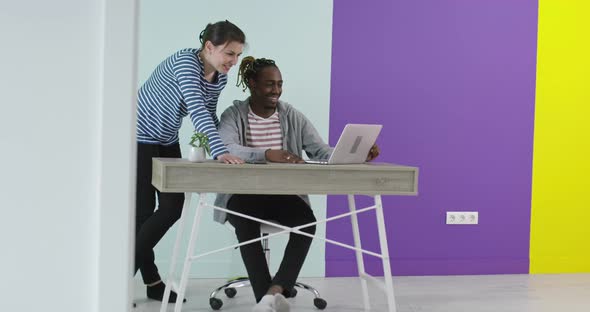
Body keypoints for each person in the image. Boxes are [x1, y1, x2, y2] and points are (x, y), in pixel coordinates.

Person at [214, 56, 379, 312]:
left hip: (283, 192)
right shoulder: (234, 115)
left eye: (280, 84)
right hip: (244, 192)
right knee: (245, 226)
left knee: (306, 224)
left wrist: (357, 154)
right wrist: (267, 153)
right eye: (270, 84)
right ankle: (266, 300)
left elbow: (319, 150)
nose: (276, 90)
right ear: (252, 84)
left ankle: (273, 293)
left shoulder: (290, 115)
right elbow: (227, 147)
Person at [135, 20, 246, 303]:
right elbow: (196, 108)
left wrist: (214, 152)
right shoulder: (185, 62)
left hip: (166, 138)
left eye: (237, 55)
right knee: (144, 212)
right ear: (209, 47)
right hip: (137, 136)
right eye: (229, 53)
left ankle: (144, 280)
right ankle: (142, 280)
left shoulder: (218, 78)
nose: (234, 61)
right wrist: (221, 151)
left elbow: (208, 115)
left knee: (172, 206)